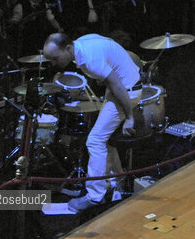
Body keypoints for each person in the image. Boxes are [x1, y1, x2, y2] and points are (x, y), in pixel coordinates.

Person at [41, 33, 143, 213]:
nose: (54, 64)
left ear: (68, 48)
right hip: (120, 88)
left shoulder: (89, 59)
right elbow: (109, 45)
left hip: (126, 92)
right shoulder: (82, 43)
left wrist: (129, 117)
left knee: (95, 140)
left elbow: (117, 85)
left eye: (55, 59)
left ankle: (95, 196)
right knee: (103, 140)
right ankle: (113, 185)